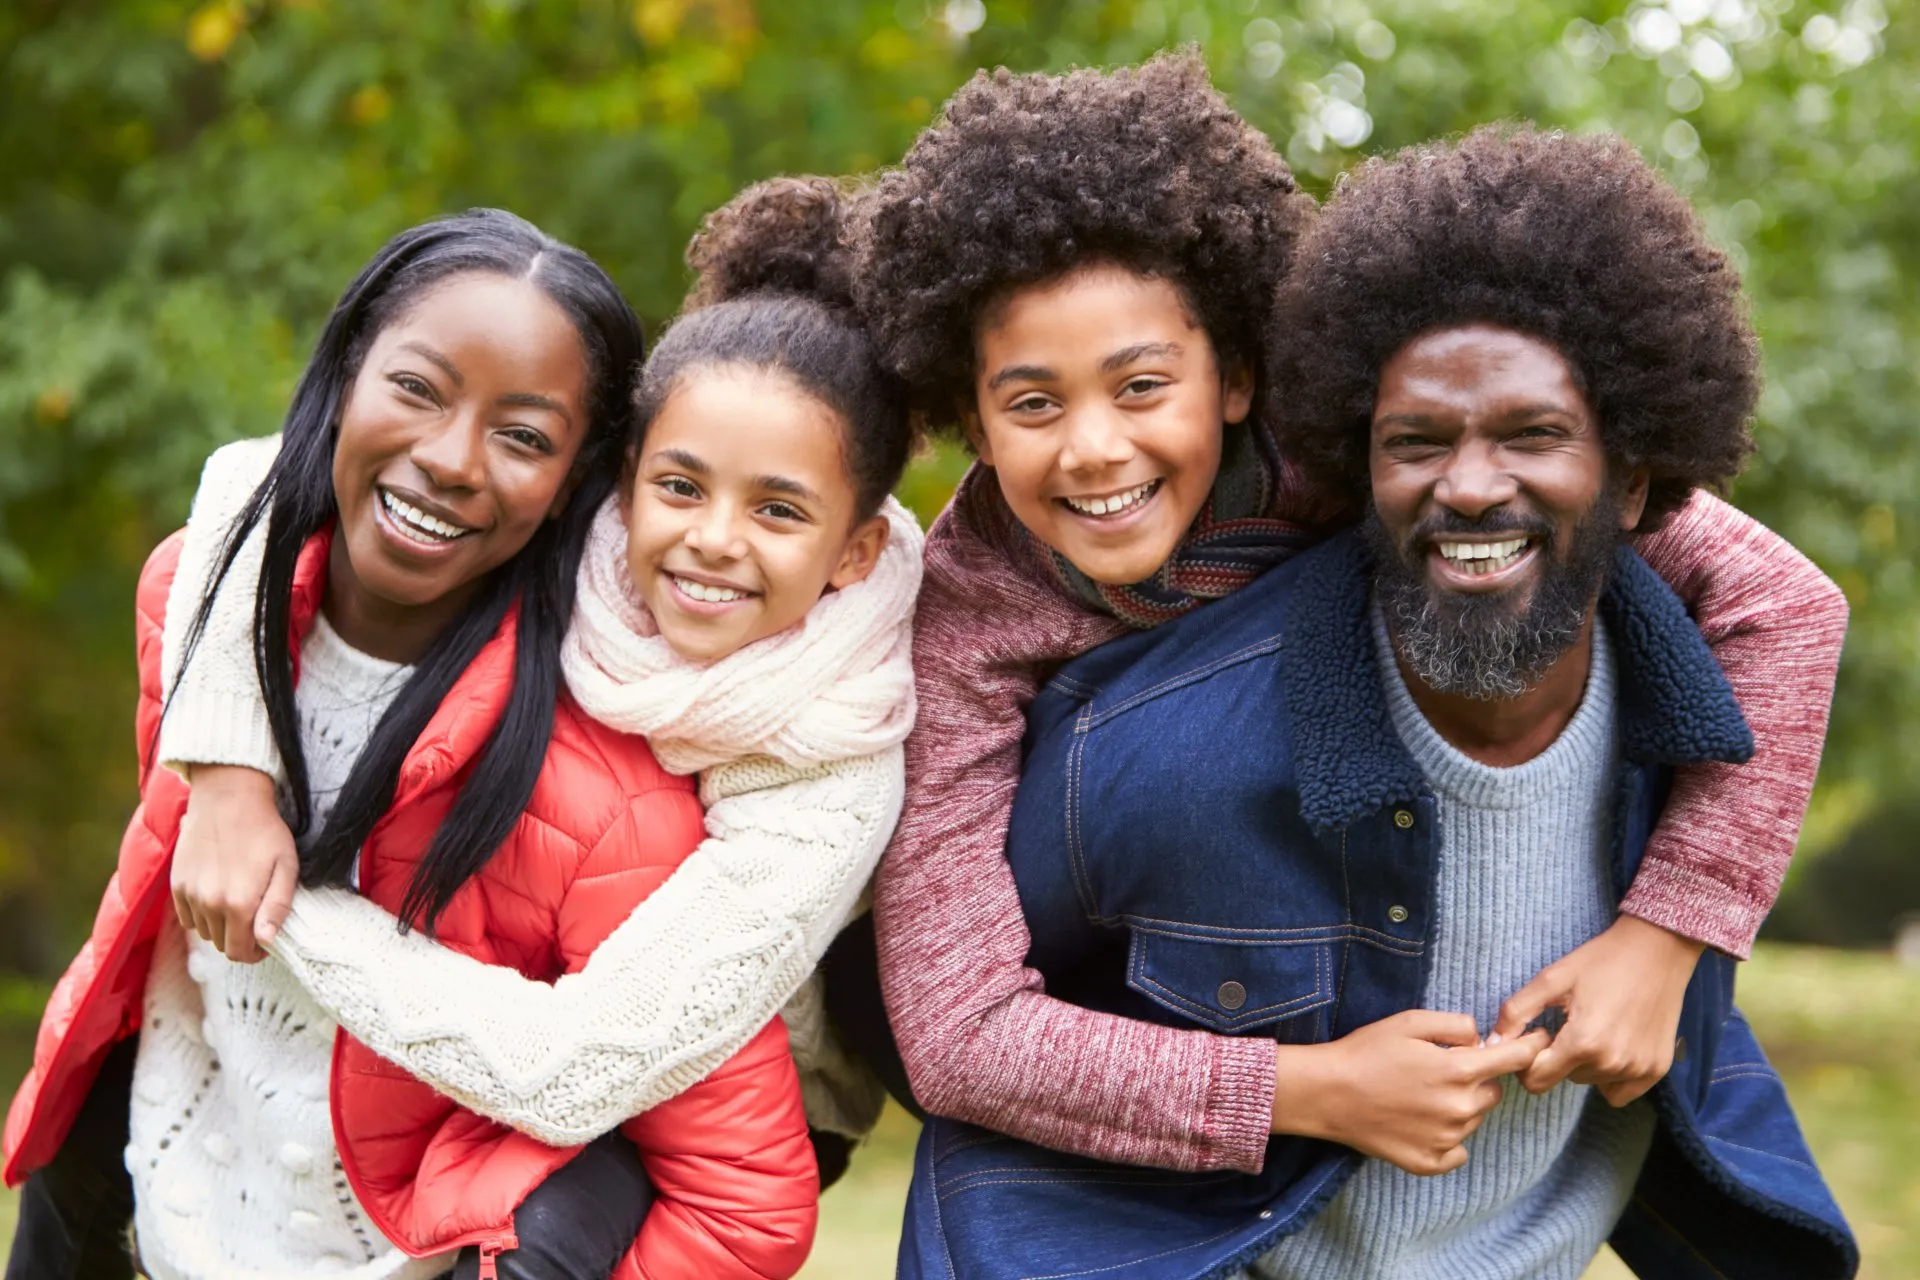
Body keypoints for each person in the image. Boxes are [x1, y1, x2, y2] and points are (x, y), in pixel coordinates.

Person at [859, 51, 1848, 1178]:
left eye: (1142, 386)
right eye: (1033, 403)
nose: (1095, 447)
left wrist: (1669, 932)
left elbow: (1783, 601)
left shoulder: (1377, 453)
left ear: (1236, 379)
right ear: (975, 426)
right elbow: (954, 1031)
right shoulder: (967, 610)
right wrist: (1306, 1088)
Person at [2, 209, 818, 1280]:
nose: (449, 459)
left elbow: (744, 1204)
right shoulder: (188, 598)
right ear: (344, 374)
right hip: (143, 1199)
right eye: (418, 389)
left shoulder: (604, 793)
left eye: (523, 436)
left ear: (578, 482)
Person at [143, 179, 918, 1178]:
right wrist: (227, 773)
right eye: (679, 487)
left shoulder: (834, 766)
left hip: (715, 1117)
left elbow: (571, 1065)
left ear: (852, 552)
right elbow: (252, 473)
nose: (714, 539)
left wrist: (269, 889)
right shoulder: (589, 539)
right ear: (625, 481)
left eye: (777, 511)